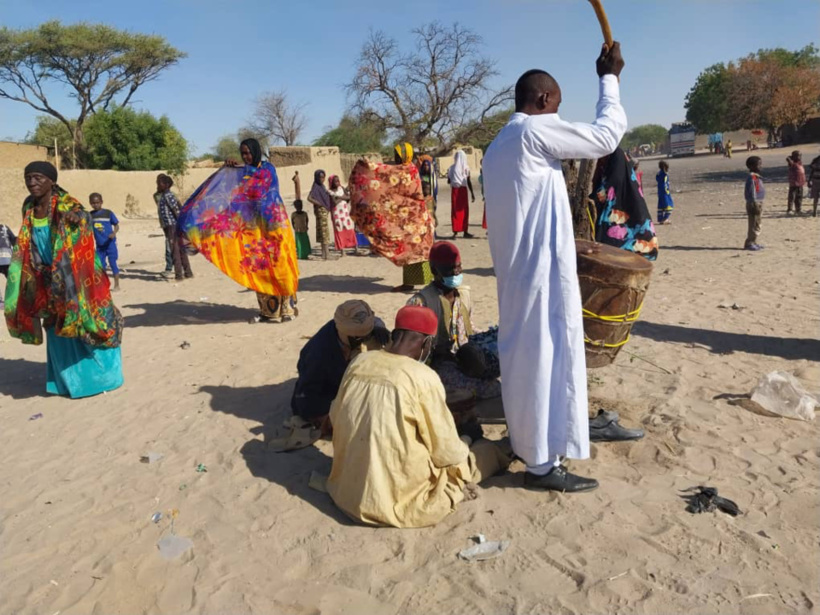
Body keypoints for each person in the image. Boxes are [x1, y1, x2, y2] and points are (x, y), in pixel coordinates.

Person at [482, 42, 627, 492]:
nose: (558, 115)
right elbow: (605, 137)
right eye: (557, 106)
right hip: (540, 274)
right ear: (544, 100)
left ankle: (539, 447)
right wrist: (609, 79)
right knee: (546, 361)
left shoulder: (497, 146)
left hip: (518, 275)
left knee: (529, 363)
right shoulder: (532, 132)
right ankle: (542, 465)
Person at [327, 305, 511, 528]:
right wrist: (468, 437)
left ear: (395, 334)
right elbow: (446, 453)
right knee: (483, 454)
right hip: (397, 502)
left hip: (347, 493)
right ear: (427, 344)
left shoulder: (359, 362)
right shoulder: (423, 376)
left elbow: (335, 416)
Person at [4, 161, 123, 398]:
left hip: (73, 277)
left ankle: (103, 378)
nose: (32, 183)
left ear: (52, 181)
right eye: (28, 178)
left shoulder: (66, 203)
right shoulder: (28, 206)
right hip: (46, 277)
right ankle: (66, 382)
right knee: (56, 326)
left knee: (87, 322)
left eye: (38, 178)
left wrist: (76, 218)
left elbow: (83, 216)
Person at [178, 138, 298, 323]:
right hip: (254, 229)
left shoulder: (268, 169)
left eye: (248, 153)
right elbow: (229, 196)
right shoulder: (242, 176)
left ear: (256, 151)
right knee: (260, 266)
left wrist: (240, 169)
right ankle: (270, 311)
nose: (246, 156)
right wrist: (229, 171)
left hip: (275, 226)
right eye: (243, 154)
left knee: (281, 264)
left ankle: (287, 309)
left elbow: (262, 182)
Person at [408, 241, 501, 401]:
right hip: (439, 364)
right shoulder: (421, 302)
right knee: (491, 388)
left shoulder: (463, 295)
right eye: (450, 269)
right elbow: (410, 346)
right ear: (434, 270)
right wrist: (435, 351)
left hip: (465, 356)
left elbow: (467, 327)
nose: (456, 272)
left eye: (459, 267)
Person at [291, 300, 389, 430]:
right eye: (359, 338)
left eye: (367, 335)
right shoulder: (318, 354)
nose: (364, 340)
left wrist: (379, 328)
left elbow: (372, 321)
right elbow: (305, 398)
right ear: (345, 334)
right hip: (322, 389)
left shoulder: (357, 327)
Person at [592, 149, 658, 259]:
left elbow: (614, 182)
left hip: (621, 203)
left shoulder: (616, 156)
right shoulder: (608, 161)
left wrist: (595, 196)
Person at [393, 143, 434, 291]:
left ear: (405, 155)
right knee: (413, 250)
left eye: (397, 155)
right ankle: (411, 282)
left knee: (416, 250)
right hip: (411, 216)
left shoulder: (406, 171)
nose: (395, 158)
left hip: (413, 217)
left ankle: (415, 283)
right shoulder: (411, 169)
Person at [156, 174, 194, 281]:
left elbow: (176, 210)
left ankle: (179, 275)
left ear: (166, 185)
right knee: (180, 249)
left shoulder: (168, 196)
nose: (158, 186)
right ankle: (188, 273)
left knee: (175, 250)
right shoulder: (164, 195)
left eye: (159, 183)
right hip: (170, 226)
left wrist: (181, 224)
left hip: (172, 226)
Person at [89, 192, 121, 291]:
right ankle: (103, 286)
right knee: (100, 266)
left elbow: (116, 225)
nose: (95, 205)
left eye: (97, 202)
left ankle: (117, 285)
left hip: (110, 244)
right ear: (90, 203)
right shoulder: (90, 215)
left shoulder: (108, 213)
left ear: (101, 202)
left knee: (113, 263)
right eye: (93, 203)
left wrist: (114, 233)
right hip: (100, 246)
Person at [447, 150, 475, 239]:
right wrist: (472, 193)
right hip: (463, 191)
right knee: (464, 210)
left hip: (455, 190)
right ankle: (465, 231)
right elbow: (469, 181)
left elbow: (448, 181)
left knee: (455, 210)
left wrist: (455, 178)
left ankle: (455, 232)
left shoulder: (451, 168)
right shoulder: (466, 168)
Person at [327, 175, 358, 256]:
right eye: (335, 181)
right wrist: (343, 197)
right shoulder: (330, 192)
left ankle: (355, 248)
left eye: (338, 181)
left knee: (350, 229)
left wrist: (339, 197)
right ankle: (342, 251)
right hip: (337, 214)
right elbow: (335, 202)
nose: (337, 182)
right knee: (339, 230)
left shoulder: (342, 188)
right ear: (332, 183)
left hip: (345, 213)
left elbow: (348, 197)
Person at [307, 170, 332, 260]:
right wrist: (319, 204)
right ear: (317, 177)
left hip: (322, 211)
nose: (322, 179)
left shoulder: (322, 187)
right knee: (324, 232)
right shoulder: (316, 187)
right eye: (320, 177)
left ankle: (324, 254)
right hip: (321, 212)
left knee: (322, 232)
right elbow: (309, 198)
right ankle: (326, 254)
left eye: (323, 177)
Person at [743, 156, 766, 251]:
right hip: (754, 203)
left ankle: (754, 241)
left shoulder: (756, 177)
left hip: (758, 202)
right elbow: (752, 191)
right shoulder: (752, 177)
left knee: (757, 223)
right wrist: (754, 202)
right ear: (751, 166)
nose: (760, 166)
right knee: (753, 224)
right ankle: (749, 243)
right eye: (758, 165)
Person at [153, 185, 173, 274]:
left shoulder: (170, 196)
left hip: (171, 223)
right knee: (170, 243)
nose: (157, 186)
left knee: (169, 244)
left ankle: (169, 267)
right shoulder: (157, 196)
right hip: (165, 223)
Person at [417, 154, 439, 233]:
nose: (426, 167)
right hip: (422, 199)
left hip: (430, 199)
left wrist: (434, 198)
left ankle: (433, 233)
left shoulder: (432, 177)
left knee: (431, 216)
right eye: (425, 165)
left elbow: (435, 188)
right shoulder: (420, 176)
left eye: (427, 165)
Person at [0, 222, 17, 310]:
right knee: (12, 279)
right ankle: (15, 298)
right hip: (8, 258)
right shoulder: (5, 227)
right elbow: (14, 240)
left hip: (5, 258)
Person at [786, 150, 805, 215]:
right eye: (797, 156)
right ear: (793, 156)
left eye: (800, 156)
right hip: (794, 183)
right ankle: (790, 209)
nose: (799, 157)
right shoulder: (792, 163)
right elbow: (787, 158)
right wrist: (791, 157)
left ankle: (798, 209)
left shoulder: (800, 163)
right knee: (792, 197)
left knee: (799, 197)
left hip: (800, 183)